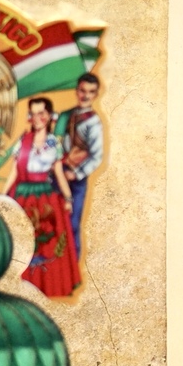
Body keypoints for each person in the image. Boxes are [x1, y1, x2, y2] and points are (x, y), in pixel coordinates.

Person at [10, 96, 79, 298]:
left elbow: (58, 173)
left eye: (41, 113)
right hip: (22, 196)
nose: (37, 118)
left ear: (49, 116)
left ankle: (48, 287)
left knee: (48, 243)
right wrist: (4, 197)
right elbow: (14, 173)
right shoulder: (23, 141)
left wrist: (68, 198)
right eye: (33, 114)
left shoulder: (54, 143)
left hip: (46, 198)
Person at [59, 72, 105, 260]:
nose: (85, 96)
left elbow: (97, 156)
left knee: (72, 223)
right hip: (59, 173)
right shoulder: (66, 115)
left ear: (96, 94)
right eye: (82, 91)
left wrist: (76, 174)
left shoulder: (93, 122)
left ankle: (73, 268)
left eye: (91, 92)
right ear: (77, 91)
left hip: (76, 180)